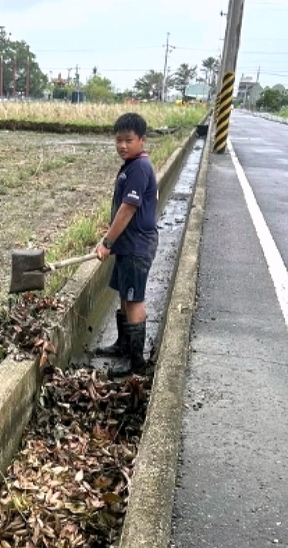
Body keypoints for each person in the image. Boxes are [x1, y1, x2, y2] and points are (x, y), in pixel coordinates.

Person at [94, 112, 159, 378]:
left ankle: (135, 360)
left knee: (133, 300)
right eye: (118, 140)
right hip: (128, 244)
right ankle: (123, 345)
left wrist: (107, 241)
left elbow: (127, 209)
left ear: (142, 140)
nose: (122, 145)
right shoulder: (131, 166)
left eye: (128, 140)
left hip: (136, 246)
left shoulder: (139, 168)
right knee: (124, 293)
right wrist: (111, 238)